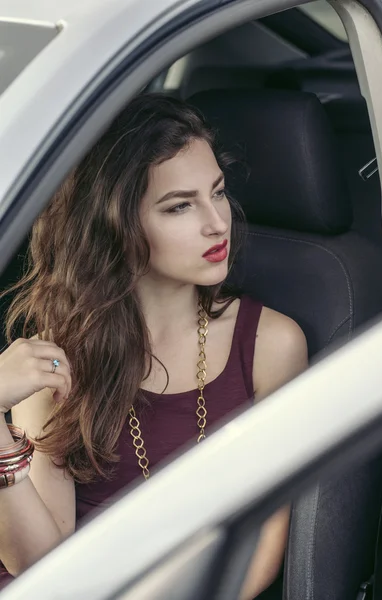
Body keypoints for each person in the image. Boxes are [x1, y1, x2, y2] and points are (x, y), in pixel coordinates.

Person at [0, 93, 307, 599]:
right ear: (116, 223)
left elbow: (260, 559)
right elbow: (40, 565)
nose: (217, 222)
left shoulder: (272, 344)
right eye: (180, 205)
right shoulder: (56, 359)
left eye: (219, 192)